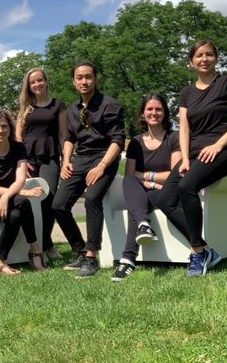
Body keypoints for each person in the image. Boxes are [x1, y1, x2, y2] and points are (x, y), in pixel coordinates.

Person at [159, 39, 227, 277]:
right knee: (165, 198)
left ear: (216, 59)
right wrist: (185, 159)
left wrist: (218, 145)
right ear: (191, 62)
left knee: (187, 186)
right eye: (199, 55)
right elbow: (185, 129)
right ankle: (205, 248)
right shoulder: (186, 93)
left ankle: (197, 253)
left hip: (224, 150)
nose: (204, 59)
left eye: (209, 54)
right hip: (193, 154)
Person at [52, 61, 125, 278]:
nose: (84, 81)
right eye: (79, 77)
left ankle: (92, 256)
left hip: (104, 157)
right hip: (79, 159)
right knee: (58, 205)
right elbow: (69, 138)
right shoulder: (73, 109)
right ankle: (80, 250)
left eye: (88, 77)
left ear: (95, 79)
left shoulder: (109, 105)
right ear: (74, 81)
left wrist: (102, 166)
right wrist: (66, 161)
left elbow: (117, 140)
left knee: (93, 198)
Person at [111, 93, 190, 281]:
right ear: (143, 113)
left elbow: (174, 175)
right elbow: (131, 176)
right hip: (140, 191)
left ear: (164, 113)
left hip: (165, 194)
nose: (154, 113)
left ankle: (128, 259)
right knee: (129, 183)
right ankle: (144, 226)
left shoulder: (174, 138)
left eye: (158, 109)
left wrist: (147, 178)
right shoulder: (136, 142)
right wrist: (147, 181)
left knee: (136, 206)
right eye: (150, 109)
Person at [0, 110, 47, 275]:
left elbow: (20, 179)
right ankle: (35, 250)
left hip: (9, 199)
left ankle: (0, 260)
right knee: (23, 201)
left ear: (10, 128)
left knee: (15, 214)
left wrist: (7, 196)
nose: (0, 131)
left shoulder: (19, 148)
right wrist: (23, 193)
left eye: (4, 126)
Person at [15, 67, 67, 262]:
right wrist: (22, 160)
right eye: (33, 82)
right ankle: (39, 246)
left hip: (50, 156)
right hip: (27, 158)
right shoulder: (25, 107)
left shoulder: (58, 105)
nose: (37, 84)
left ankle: (47, 244)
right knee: (29, 201)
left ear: (46, 81)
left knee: (49, 200)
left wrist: (66, 159)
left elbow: (63, 134)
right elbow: (18, 135)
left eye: (39, 80)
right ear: (29, 86)